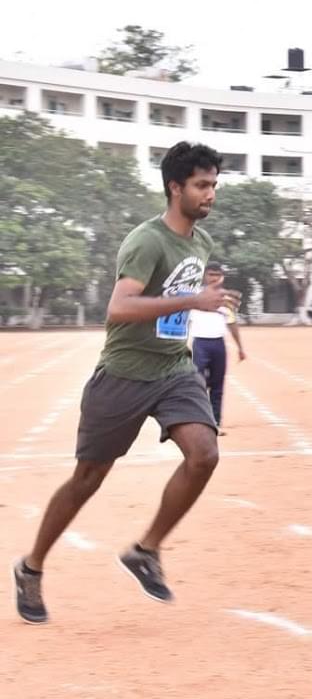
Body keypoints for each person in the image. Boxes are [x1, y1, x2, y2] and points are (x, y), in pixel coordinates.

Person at [14, 142, 236, 624]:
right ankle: (31, 568)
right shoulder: (147, 241)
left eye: (214, 184)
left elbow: (184, 302)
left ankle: (146, 549)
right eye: (202, 185)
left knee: (205, 453)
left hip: (174, 369)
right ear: (175, 187)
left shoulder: (200, 243)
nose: (211, 194)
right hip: (124, 373)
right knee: (87, 480)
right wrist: (191, 303)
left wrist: (199, 303)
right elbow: (119, 308)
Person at [190, 261, 247, 436]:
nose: (214, 278)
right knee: (199, 383)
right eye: (210, 275)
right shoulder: (195, 296)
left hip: (218, 344)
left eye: (217, 275)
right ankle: (199, 420)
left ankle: (215, 422)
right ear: (204, 276)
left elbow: (232, 323)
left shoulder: (225, 300)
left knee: (217, 385)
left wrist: (240, 347)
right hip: (200, 344)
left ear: (222, 277)